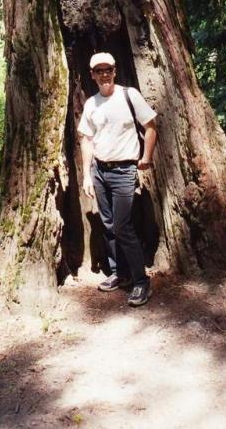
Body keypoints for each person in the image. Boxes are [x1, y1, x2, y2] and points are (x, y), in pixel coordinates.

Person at [78, 52, 157, 307]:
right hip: (100, 171)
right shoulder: (91, 104)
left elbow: (151, 125)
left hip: (124, 171)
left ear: (114, 70)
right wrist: (87, 175)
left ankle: (140, 282)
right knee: (108, 224)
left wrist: (146, 157)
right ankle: (118, 272)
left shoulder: (128, 95)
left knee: (123, 227)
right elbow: (86, 139)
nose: (104, 75)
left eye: (108, 70)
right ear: (92, 75)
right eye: (98, 71)